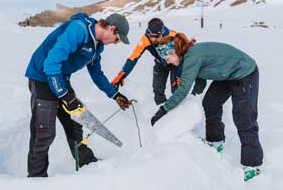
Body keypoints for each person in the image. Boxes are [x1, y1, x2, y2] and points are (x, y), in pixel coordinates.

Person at [25, 12, 132, 177]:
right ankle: (36, 177)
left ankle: (87, 164)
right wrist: (65, 95)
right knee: (44, 132)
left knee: (77, 122)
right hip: (42, 76)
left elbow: (97, 75)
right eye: (118, 39)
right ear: (112, 28)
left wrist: (115, 95)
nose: (117, 43)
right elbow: (51, 63)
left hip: (60, 77)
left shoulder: (97, 47)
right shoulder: (79, 29)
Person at [150, 33, 263, 181]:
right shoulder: (188, 57)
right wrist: (192, 98)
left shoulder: (191, 58)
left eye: (167, 57)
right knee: (211, 103)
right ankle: (216, 140)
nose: (167, 61)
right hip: (227, 75)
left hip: (244, 73)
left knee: (244, 117)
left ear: (174, 52)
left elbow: (183, 89)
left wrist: (163, 110)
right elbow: (200, 82)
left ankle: (252, 164)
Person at [111, 18, 180, 105]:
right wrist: (122, 74)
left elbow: (186, 54)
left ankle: (180, 114)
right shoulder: (145, 39)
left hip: (175, 64)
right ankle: (163, 113)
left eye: (156, 37)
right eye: (151, 36)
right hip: (160, 64)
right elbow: (133, 57)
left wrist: (180, 73)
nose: (153, 39)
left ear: (162, 33)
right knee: (158, 91)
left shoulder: (173, 35)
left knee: (177, 89)